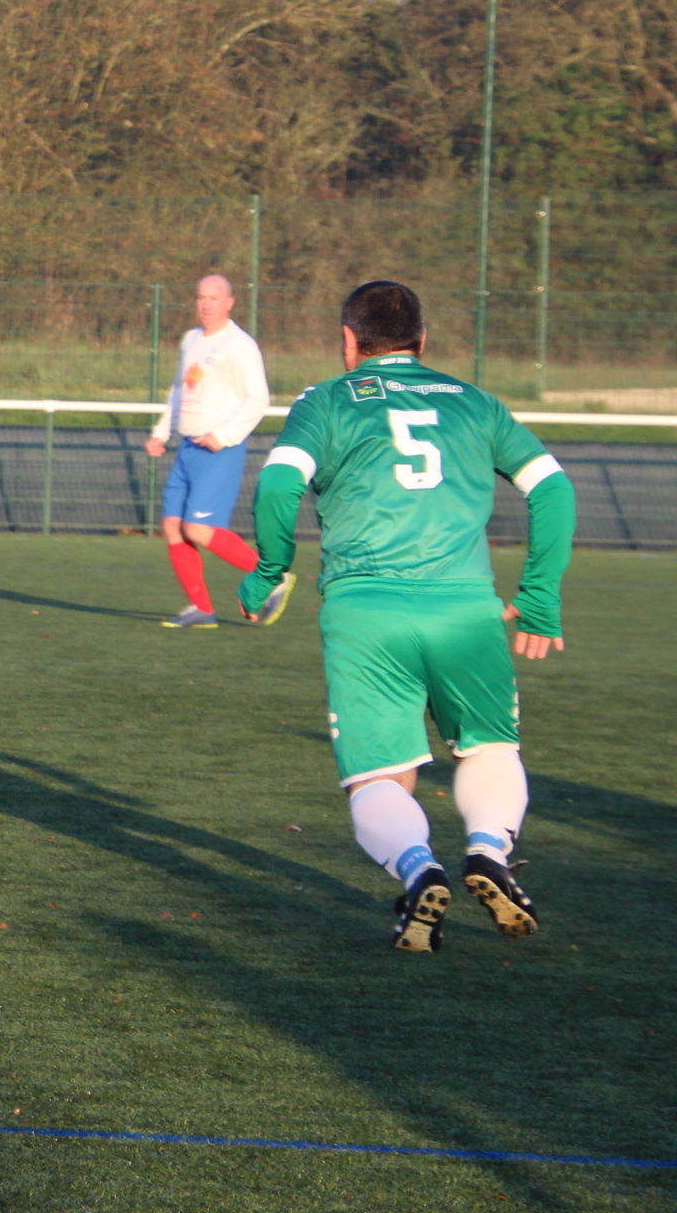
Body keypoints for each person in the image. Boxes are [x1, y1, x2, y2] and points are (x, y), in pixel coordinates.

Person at [238, 280, 574, 953]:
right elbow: (553, 488)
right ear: (423, 341)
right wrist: (538, 597)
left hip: (366, 613)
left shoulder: (326, 400)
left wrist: (270, 570)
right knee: (489, 748)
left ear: (348, 341)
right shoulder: (475, 401)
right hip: (465, 608)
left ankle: (420, 870)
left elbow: (278, 483)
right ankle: (489, 851)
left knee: (378, 775)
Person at [146, 273, 286, 628]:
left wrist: (223, 436)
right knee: (173, 527)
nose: (205, 304)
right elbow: (179, 390)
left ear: (230, 303)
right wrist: (162, 431)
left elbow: (258, 399)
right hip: (187, 448)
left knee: (197, 528)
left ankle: (274, 577)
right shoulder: (191, 339)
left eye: (213, 298)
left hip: (219, 451)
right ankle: (202, 609)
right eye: (200, 297)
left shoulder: (240, 345)